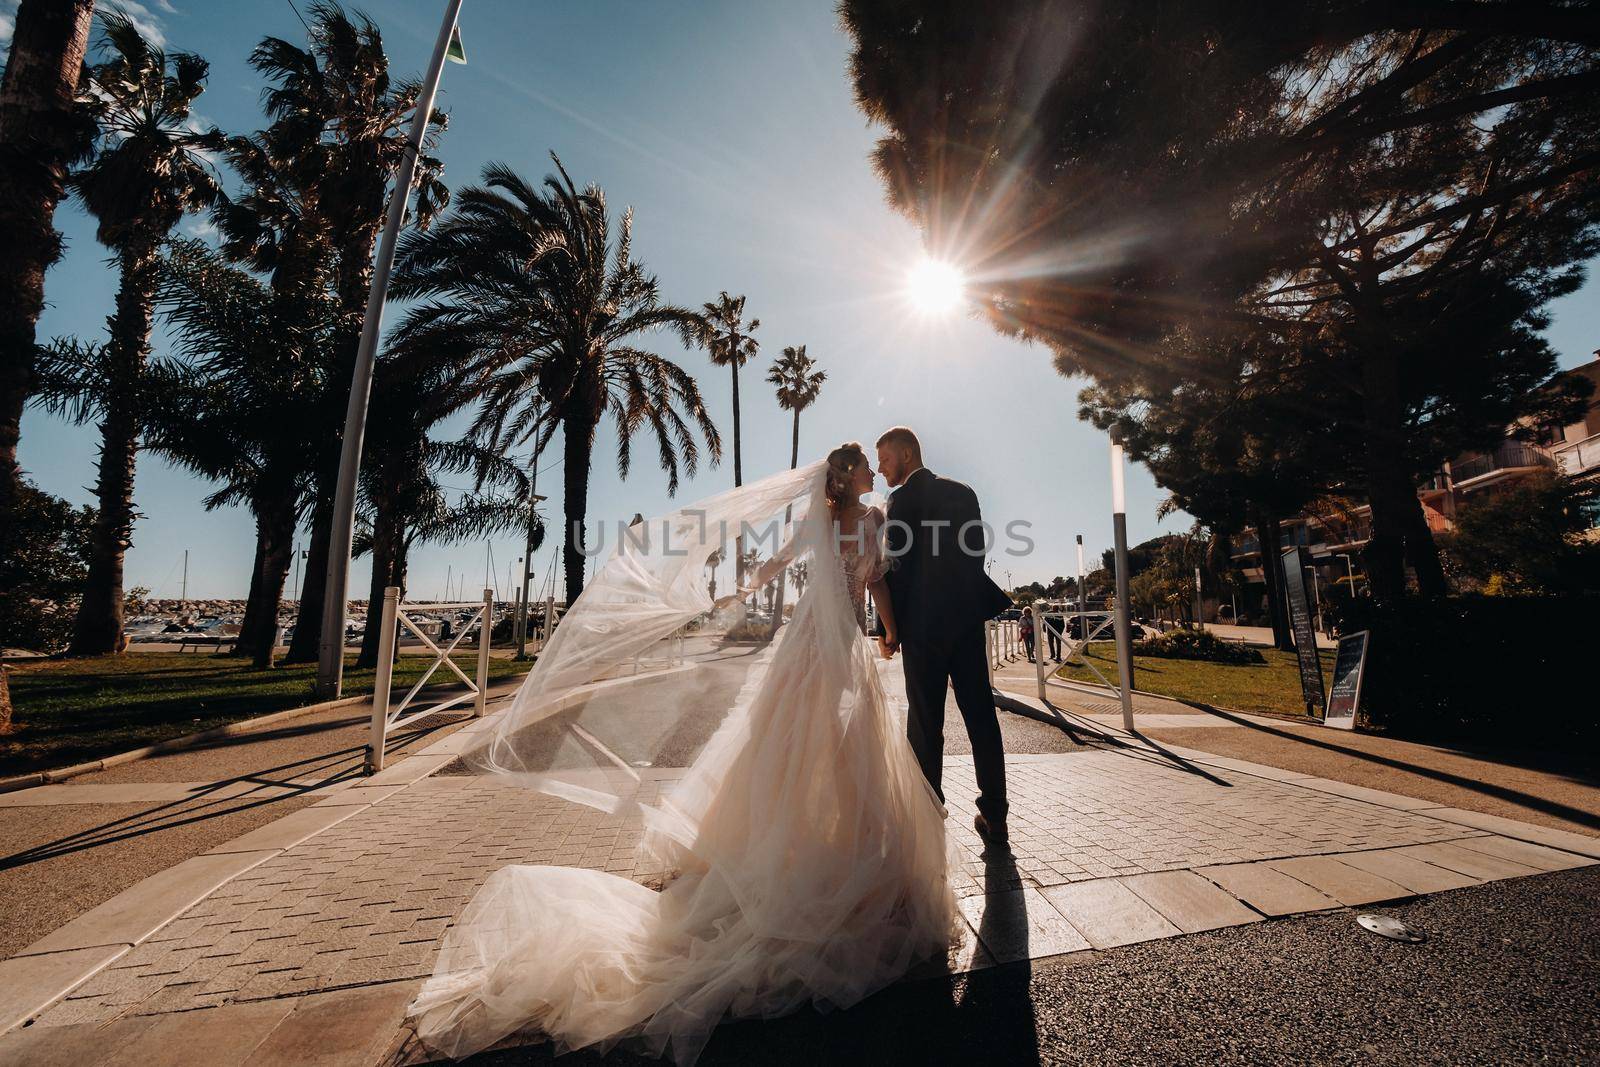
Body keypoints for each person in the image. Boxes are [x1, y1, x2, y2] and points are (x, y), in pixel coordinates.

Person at [409, 444, 958, 1065]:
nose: (870, 473)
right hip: (825, 645)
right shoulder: (868, 519)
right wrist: (884, 627)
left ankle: (812, 843)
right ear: (848, 475)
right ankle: (824, 850)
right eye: (864, 465)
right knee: (819, 746)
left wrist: (881, 629)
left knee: (805, 745)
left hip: (820, 643)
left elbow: (797, 566)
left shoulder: (842, 520)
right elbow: (860, 577)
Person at [875, 426, 1012, 846]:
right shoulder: (963, 491)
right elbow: (977, 553)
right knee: (981, 717)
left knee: (926, 724)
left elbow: (896, 566)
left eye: (884, 459)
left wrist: (889, 629)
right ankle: (996, 816)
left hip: (922, 628)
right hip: (967, 622)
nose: (880, 468)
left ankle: (930, 821)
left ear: (906, 455)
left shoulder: (900, 500)